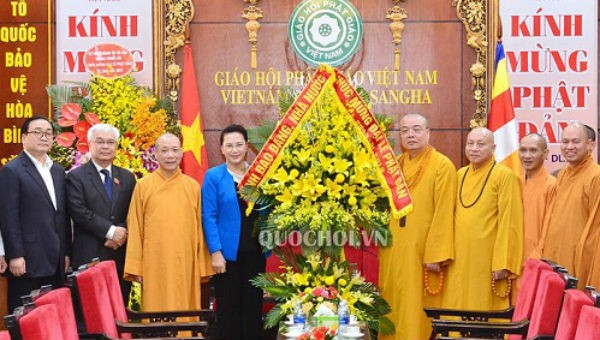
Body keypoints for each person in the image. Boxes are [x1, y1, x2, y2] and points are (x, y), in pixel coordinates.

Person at [378, 113, 456, 340]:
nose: (410, 134)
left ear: (428, 132)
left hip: (422, 252)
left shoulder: (442, 166)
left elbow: (444, 213)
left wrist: (436, 254)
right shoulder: (395, 166)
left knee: (415, 307)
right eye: (404, 130)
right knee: (392, 301)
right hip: (393, 250)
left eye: (416, 129)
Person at [124, 133, 213, 312]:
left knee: (185, 310)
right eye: (164, 151)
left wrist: (202, 265)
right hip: (154, 262)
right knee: (155, 311)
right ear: (155, 154)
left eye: (174, 150)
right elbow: (135, 227)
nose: (170, 155)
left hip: (185, 262)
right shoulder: (142, 186)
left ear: (181, 153)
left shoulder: (193, 186)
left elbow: (200, 229)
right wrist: (136, 266)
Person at [443, 127, 523, 311]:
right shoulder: (460, 174)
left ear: (493, 148)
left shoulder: (505, 176)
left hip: (487, 258)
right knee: (457, 301)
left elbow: (510, 222)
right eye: (470, 144)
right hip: (459, 256)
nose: (474, 148)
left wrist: (503, 262)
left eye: (481, 144)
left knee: (484, 304)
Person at [0, 116, 71, 312]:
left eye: (48, 133)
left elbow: (61, 215)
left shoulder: (57, 171)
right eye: (37, 132)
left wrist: (65, 252)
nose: (44, 137)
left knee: (51, 314)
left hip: (55, 258)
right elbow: (8, 216)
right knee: (25, 317)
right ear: (24, 137)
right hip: (27, 260)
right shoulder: (12, 170)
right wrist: (15, 255)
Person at [202, 124, 266, 340]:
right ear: (221, 149)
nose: (234, 150)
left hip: (256, 253)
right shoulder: (213, 177)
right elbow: (208, 216)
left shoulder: (259, 175)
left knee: (252, 308)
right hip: (227, 257)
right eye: (229, 145)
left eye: (239, 144)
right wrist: (216, 252)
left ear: (247, 146)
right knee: (229, 311)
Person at [66, 124, 136, 303]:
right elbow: (79, 211)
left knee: (119, 310)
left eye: (110, 142)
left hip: (119, 255)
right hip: (89, 256)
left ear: (116, 146)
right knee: (90, 313)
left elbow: (134, 211)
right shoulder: (76, 177)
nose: (105, 146)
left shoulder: (127, 177)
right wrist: (111, 231)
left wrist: (122, 231)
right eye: (100, 142)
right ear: (90, 144)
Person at [542, 123, 600, 286]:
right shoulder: (562, 174)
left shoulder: (596, 176)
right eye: (565, 141)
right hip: (555, 258)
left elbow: (595, 231)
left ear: (590, 145)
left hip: (579, 260)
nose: (569, 147)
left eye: (576, 141)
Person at [518, 133, 555, 261]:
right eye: (523, 150)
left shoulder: (552, 185)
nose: (527, 156)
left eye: (533, 150)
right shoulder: (516, 182)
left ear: (545, 153)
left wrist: (538, 255)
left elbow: (549, 228)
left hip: (537, 259)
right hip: (514, 257)